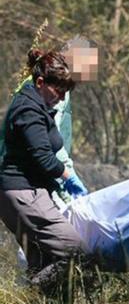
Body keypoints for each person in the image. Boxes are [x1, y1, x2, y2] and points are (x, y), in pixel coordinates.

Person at [0, 49, 89, 288]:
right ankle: (28, 297)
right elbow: (43, 158)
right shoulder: (28, 109)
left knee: (42, 260)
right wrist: (67, 176)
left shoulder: (34, 104)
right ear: (40, 82)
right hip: (23, 193)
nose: (61, 98)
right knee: (74, 250)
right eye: (58, 91)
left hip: (22, 192)